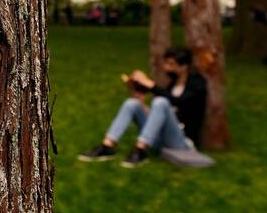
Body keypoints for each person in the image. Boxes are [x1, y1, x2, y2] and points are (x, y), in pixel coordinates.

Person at [79, 47, 207, 167]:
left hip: (181, 141)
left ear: (184, 67)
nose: (166, 67)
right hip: (159, 138)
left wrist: (150, 85)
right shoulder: (173, 84)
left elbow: (178, 101)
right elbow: (159, 115)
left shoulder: (197, 84)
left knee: (160, 101)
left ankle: (140, 149)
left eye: (171, 64)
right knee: (132, 103)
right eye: (166, 63)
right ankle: (107, 146)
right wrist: (140, 102)